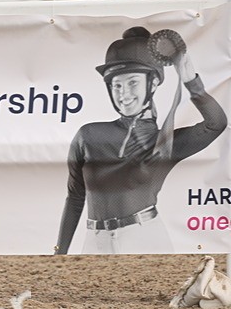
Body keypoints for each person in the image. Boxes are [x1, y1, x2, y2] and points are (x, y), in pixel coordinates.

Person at [55, 27, 227, 254]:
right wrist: (60, 253)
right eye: (117, 85)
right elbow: (76, 196)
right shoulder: (88, 135)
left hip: (144, 237)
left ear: (153, 83)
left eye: (132, 82)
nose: (124, 94)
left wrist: (189, 80)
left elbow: (216, 123)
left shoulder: (164, 143)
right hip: (94, 242)